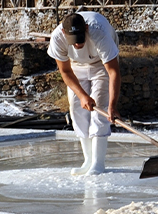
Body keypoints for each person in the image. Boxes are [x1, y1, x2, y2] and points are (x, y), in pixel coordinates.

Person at [48, 12, 121, 175]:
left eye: (80, 39)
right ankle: (88, 160)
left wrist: (112, 106)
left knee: (100, 109)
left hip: (101, 65)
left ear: (86, 28)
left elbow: (113, 72)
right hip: (75, 66)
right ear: (64, 33)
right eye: (73, 40)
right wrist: (82, 96)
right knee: (76, 110)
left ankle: (98, 163)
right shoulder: (57, 38)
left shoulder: (99, 33)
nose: (77, 44)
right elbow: (65, 71)